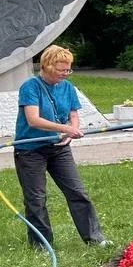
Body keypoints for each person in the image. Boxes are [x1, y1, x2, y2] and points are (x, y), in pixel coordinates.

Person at [12, 45, 109, 248]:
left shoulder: (67, 87)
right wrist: (64, 128)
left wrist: (72, 131)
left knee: (77, 192)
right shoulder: (30, 86)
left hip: (59, 148)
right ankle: (42, 245)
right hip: (30, 150)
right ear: (47, 66)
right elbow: (33, 119)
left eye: (68, 70)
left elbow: (74, 114)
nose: (65, 74)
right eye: (61, 69)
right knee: (36, 199)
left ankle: (95, 238)